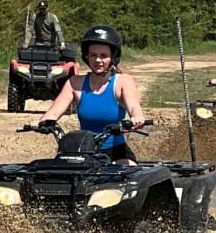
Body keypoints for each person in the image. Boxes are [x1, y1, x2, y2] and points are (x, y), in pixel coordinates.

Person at [36, 25, 144, 163]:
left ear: (113, 57)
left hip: (116, 153)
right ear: (87, 57)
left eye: (103, 56)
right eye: (93, 55)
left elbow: (134, 106)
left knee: (128, 178)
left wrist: (137, 118)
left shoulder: (122, 81)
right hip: (83, 153)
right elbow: (53, 112)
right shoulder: (75, 83)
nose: (98, 60)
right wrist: (41, 123)